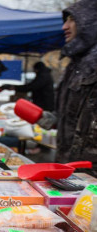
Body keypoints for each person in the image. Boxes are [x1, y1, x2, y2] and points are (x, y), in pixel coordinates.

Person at [51, 0, 97, 176]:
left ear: (90, 22)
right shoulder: (75, 65)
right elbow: (76, 118)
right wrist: (51, 119)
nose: (64, 26)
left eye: (72, 19)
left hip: (90, 176)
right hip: (71, 172)